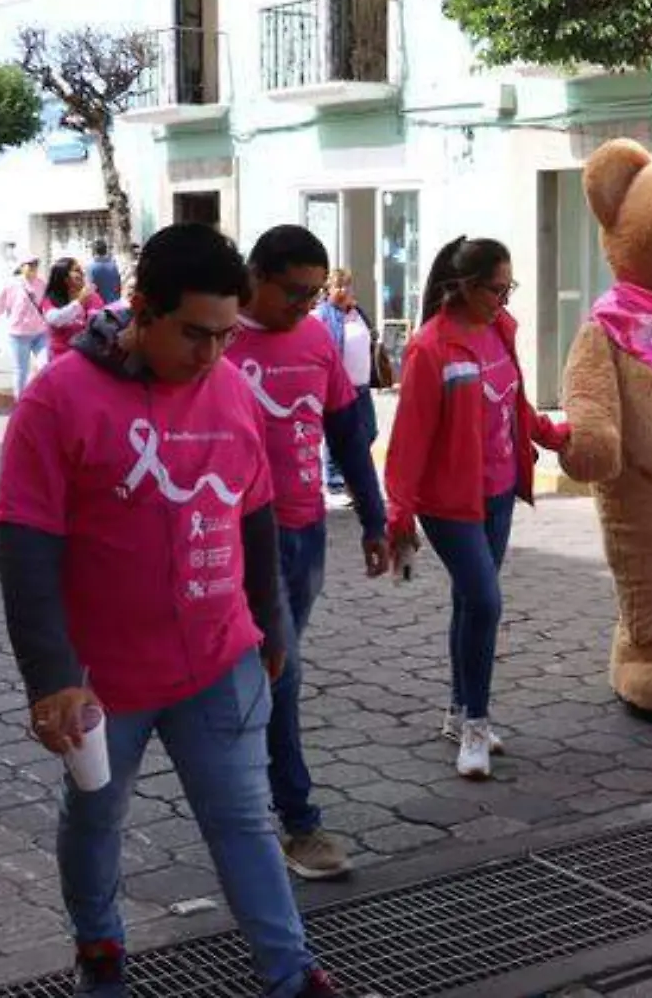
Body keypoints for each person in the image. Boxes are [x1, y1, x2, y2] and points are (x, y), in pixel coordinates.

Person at [0, 223, 343, 998]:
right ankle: (101, 949)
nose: (212, 354)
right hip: (101, 679)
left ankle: (290, 974)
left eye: (224, 334)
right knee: (96, 819)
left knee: (244, 820)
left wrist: (271, 622)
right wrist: (50, 677)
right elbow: (24, 540)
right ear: (141, 308)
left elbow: (255, 509)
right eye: (193, 334)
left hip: (218, 659)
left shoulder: (227, 386)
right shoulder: (58, 399)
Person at [227, 226, 390, 880]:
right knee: (281, 671)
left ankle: (235, 765)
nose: (304, 304)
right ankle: (299, 823)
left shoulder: (316, 338)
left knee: (265, 673)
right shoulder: (216, 340)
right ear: (254, 276)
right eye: (293, 292)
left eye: (314, 293)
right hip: (235, 540)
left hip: (305, 534)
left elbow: (347, 435)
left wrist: (375, 519)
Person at [384, 236, 567, 779]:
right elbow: (410, 438)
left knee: (470, 601)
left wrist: (552, 435)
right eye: (496, 288)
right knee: (485, 602)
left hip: (499, 489)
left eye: (509, 287)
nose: (504, 300)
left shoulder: (500, 331)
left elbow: (514, 403)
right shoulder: (430, 348)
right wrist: (400, 511)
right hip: (451, 502)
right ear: (463, 286)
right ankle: (475, 727)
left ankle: (458, 709)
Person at [313, 268, 384, 507]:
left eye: (347, 286)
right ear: (328, 291)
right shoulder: (322, 315)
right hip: (339, 386)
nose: (344, 291)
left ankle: (348, 476)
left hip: (362, 386)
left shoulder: (356, 312)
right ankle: (335, 483)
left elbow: (370, 339)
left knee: (369, 431)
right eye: (339, 286)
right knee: (338, 434)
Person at [0, 255, 51, 396]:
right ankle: (20, 403)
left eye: (35, 265)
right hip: (19, 335)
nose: (33, 268)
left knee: (45, 365)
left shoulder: (42, 284)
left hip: (40, 333)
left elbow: (50, 306)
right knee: (21, 370)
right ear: (22, 267)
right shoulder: (12, 286)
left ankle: (37, 396)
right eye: (30, 265)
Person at [43, 258, 106, 361]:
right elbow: (55, 320)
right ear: (64, 277)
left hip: (83, 358)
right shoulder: (50, 299)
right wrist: (80, 302)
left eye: (82, 270)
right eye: (77, 270)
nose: (82, 273)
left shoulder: (92, 297)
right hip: (58, 358)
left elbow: (97, 325)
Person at [88, 238, 124, 306]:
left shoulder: (91, 267)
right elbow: (118, 286)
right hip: (115, 303)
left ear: (94, 251)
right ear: (105, 250)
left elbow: (91, 290)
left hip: (101, 306)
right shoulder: (113, 265)